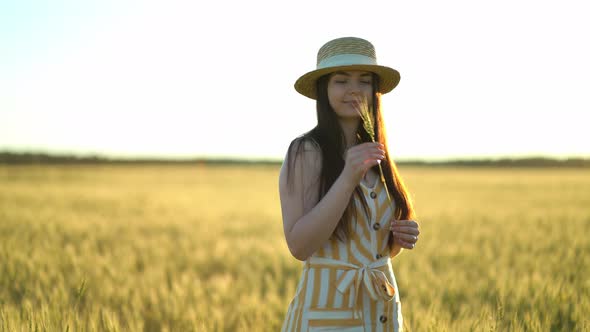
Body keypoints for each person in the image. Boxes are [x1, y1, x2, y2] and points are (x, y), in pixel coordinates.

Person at [278, 36, 420, 332]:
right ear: (324, 89)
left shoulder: (377, 153)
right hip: (327, 314)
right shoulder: (305, 151)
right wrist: (347, 177)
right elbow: (300, 245)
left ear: (374, 90)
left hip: (381, 310)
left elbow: (370, 245)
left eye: (364, 81)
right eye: (341, 81)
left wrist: (398, 239)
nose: (354, 89)